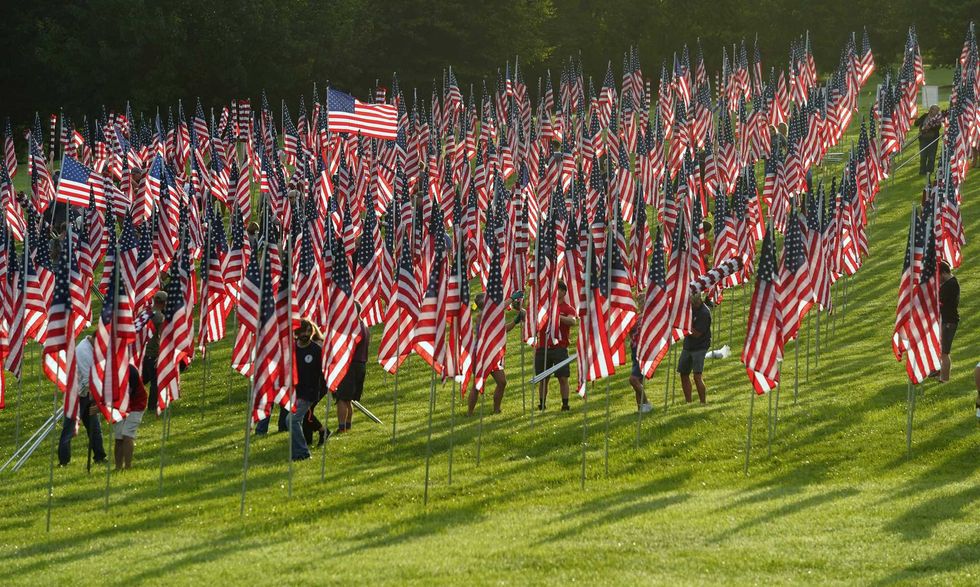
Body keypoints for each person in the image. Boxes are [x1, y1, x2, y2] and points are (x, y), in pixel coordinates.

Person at [467, 291, 524, 416]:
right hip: (481, 354)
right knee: (477, 384)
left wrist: (516, 320)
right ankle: (469, 413)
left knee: (502, 382)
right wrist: (512, 298)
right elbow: (499, 308)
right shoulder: (482, 315)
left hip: (493, 353)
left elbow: (504, 330)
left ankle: (496, 409)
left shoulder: (493, 316)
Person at [58, 335, 107, 466]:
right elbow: (88, 379)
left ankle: (100, 456)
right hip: (76, 395)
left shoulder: (94, 349)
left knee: (94, 428)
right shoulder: (83, 351)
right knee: (69, 429)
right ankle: (63, 461)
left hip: (87, 394)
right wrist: (99, 398)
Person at [535, 282, 577, 412]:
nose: (555, 292)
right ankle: (542, 404)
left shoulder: (568, 308)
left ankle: (565, 404)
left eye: (558, 289)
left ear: (564, 292)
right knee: (543, 378)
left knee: (563, 377)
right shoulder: (544, 308)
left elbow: (573, 321)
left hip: (560, 347)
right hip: (543, 347)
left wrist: (556, 316)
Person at [290, 318, 328, 460]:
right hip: (294, 392)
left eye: (307, 331)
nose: (304, 334)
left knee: (292, 420)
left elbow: (324, 373)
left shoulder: (316, 350)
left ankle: (302, 452)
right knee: (298, 420)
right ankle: (298, 449)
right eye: (300, 332)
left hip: (309, 393)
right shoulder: (292, 349)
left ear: (311, 331)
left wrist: (318, 393)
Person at [336, 309, 370, 432]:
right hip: (361, 365)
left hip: (351, 365)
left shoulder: (354, 328)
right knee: (348, 399)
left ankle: (342, 428)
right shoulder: (364, 326)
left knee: (342, 399)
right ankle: (348, 426)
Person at [678, 295, 712, 404]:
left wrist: (685, 326)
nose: (692, 305)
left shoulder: (704, 313)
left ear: (699, 300)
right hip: (688, 346)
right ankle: (688, 402)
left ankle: (703, 402)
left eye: (693, 303)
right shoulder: (690, 309)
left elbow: (697, 334)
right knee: (683, 373)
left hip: (700, 347)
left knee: (697, 376)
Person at [114, 365, 147, 470]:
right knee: (118, 438)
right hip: (118, 405)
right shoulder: (108, 370)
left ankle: (128, 467)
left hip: (136, 404)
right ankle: (118, 467)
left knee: (127, 435)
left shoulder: (131, 371)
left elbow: (127, 395)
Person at [142, 291, 167, 410]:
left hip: (143, 352)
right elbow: (161, 336)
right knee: (155, 381)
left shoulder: (146, 313)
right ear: (163, 303)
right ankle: (152, 407)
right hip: (153, 353)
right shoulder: (160, 317)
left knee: (142, 379)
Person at [938, 261, 959, 383]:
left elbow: (939, 300)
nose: (938, 279)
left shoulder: (950, 285)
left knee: (945, 352)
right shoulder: (950, 283)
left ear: (944, 273)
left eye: (938, 275)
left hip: (949, 322)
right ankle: (940, 373)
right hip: (947, 320)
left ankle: (945, 379)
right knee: (942, 351)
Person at [628, 322, 653, 413]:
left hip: (644, 352)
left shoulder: (646, 317)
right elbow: (629, 331)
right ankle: (641, 409)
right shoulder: (635, 317)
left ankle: (646, 403)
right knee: (638, 381)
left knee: (633, 379)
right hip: (635, 352)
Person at [914, 105, 943, 176]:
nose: (936, 112)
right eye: (934, 109)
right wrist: (918, 120)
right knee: (923, 155)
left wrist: (929, 127)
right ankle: (922, 171)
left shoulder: (938, 119)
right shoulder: (925, 115)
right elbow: (916, 124)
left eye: (937, 110)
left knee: (931, 156)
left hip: (933, 139)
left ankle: (929, 171)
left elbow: (938, 127)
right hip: (923, 138)